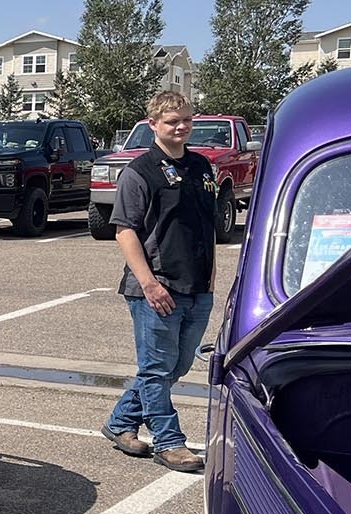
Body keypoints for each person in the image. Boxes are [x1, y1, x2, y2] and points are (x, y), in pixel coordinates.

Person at [101, 91, 217, 474]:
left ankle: (120, 422)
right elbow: (125, 231)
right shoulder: (140, 172)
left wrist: (212, 277)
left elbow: (207, 227)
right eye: (171, 121)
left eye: (186, 119)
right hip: (156, 288)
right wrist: (149, 283)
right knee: (156, 368)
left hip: (197, 286)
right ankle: (169, 442)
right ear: (153, 125)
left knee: (175, 366)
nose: (181, 126)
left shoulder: (201, 167)